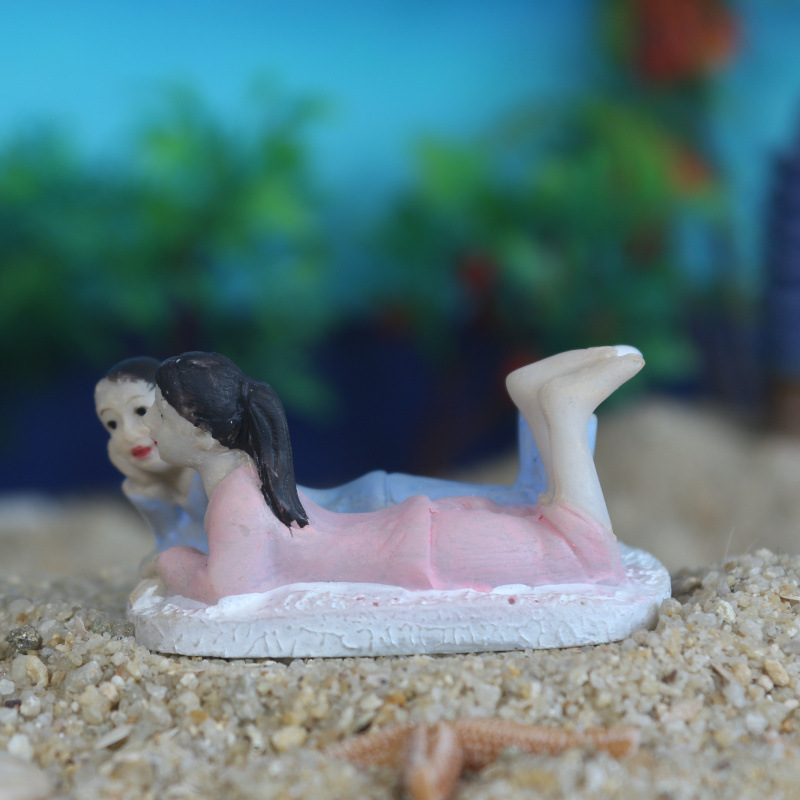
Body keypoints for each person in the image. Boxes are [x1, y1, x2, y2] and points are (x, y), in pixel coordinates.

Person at [144, 347, 643, 605]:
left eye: (161, 415)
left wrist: (170, 561)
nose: (149, 427)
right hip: (416, 540)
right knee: (555, 526)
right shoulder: (248, 476)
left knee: (584, 553)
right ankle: (533, 399)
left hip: (426, 551)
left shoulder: (236, 500)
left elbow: (225, 590)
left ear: (204, 434)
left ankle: (564, 410)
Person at [94, 357, 209, 556]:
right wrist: (144, 489)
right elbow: (169, 543)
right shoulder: (145, 489)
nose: (128, 434)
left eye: (141, 411)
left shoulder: (212, 477)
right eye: (112, 424)